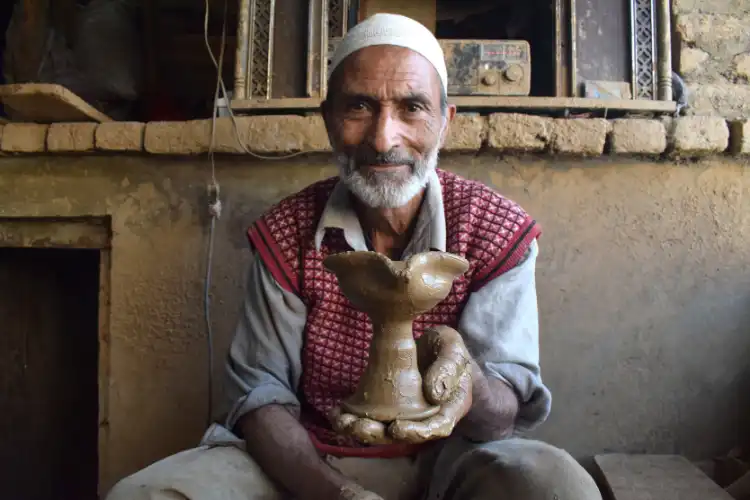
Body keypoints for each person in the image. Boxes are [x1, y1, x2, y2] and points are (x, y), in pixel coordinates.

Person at [106, 13, 603, 500]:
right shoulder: (287, 234)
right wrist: (337, 494)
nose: (384, 139)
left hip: (452, 460)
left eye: (412, 108)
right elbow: (259, 398)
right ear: (328, 119)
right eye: (359, 107)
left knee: (556, 488)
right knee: (147, 495)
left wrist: (467, 379)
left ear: (445, 123)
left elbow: (502, 416)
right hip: (308, 460)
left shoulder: (495, 231)